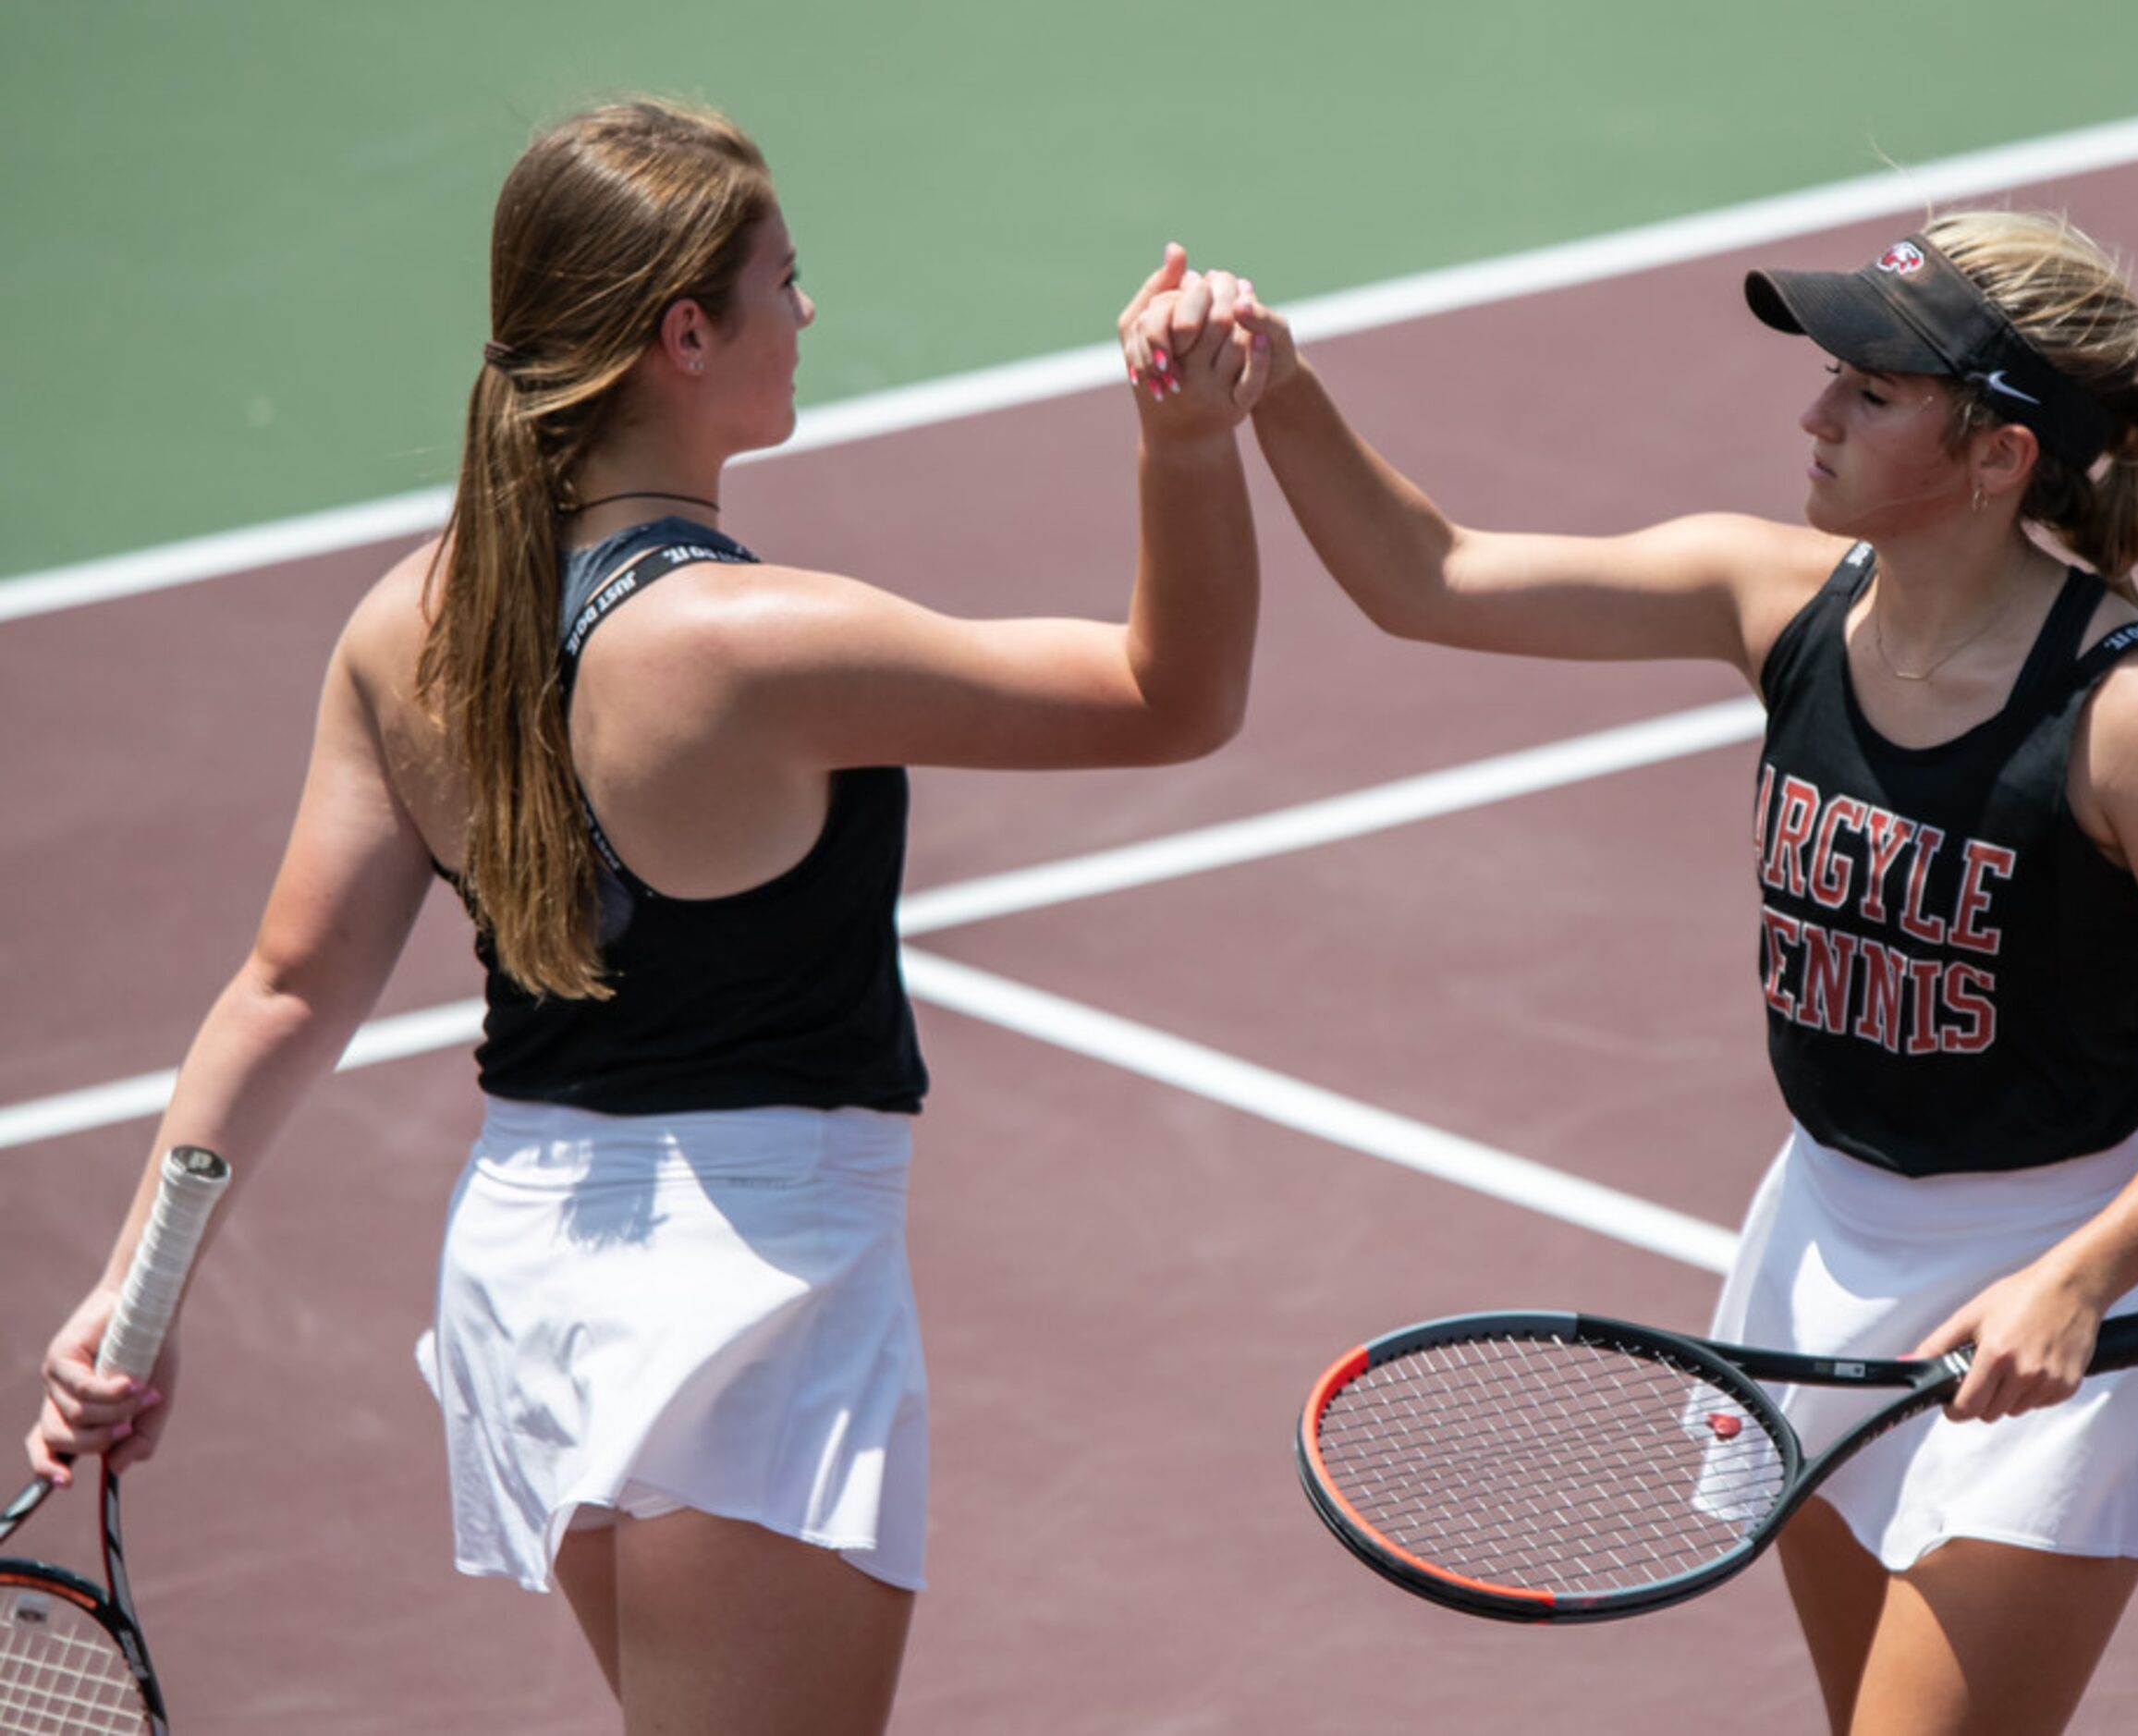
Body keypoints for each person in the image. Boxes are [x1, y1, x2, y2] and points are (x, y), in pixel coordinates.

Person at [29, 100, 1269, 1735]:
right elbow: (1169, 695)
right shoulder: (749, 640)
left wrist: (142, 1291)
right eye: (785, 282)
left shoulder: (407, 621)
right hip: (741, 1295)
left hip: (533, 1271)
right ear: (685, 335)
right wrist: (1183, 442)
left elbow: (283, 988)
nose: (809, 313)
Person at [1134, 211, 2138, 1734]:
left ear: (2000, 454)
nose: (1815, 414)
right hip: (1822, 1243)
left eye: (1872, 395)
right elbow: (1427, 575)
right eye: (1833, 376)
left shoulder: (2137, 727)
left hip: (2068, 1257)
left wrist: (2075, 1279)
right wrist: (1272, 386)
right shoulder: (1779, 596)